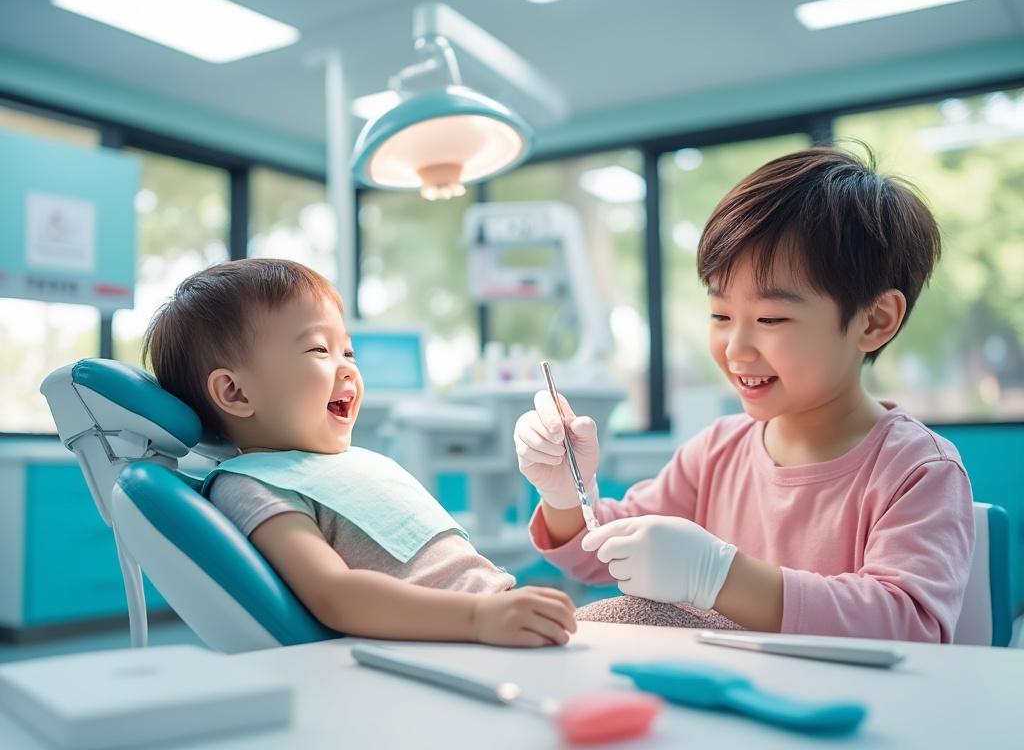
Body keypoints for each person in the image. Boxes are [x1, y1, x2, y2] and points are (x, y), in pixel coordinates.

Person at [514, 146, 974, 642]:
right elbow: (600, 554)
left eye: (771, 319)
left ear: (875, 320)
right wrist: (565, 493)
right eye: (720, 316)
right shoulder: (715, 452)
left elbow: (910, 626)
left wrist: (720, 577)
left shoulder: (918, 473)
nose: (736, 348)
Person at [144, 258, 576, 647]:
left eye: (347, 351)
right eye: (319, 349)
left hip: (498, 617)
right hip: (455, 640)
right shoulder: (252, 484)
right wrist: (478, 617)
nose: (348, 366)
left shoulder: (343, 463)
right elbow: (335, 594)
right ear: (235, 392)